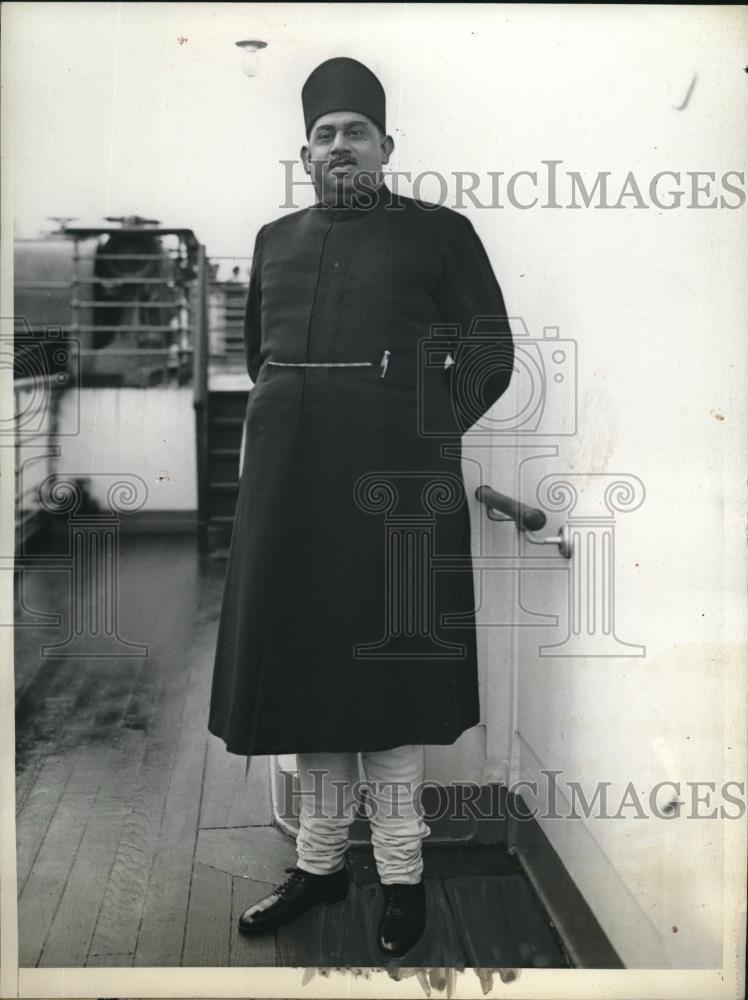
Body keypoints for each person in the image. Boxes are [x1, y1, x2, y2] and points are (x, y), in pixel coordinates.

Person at [208, 56, 514, 957]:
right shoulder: (274, 239)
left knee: (392, 684)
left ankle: (403, 873)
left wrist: (420, 436)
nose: (341, 147)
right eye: (325, 135)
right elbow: (261, 361)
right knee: (306, 683)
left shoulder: (442, 234)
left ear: (388, 146)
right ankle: (319, 865)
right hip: (290, 495)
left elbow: (490, 357)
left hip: (398, 497)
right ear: (304, 153)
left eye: (357, 132)